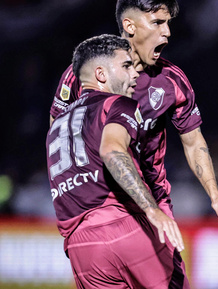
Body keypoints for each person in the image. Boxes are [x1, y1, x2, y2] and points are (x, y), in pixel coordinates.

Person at [46, 34, 187, 288]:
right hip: (125, 227)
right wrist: (152, 209)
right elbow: (111, 151)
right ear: (101, 74)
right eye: (126, 66)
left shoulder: (57, 124)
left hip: (81, 246)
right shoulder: (117, 104)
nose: (135, 74)